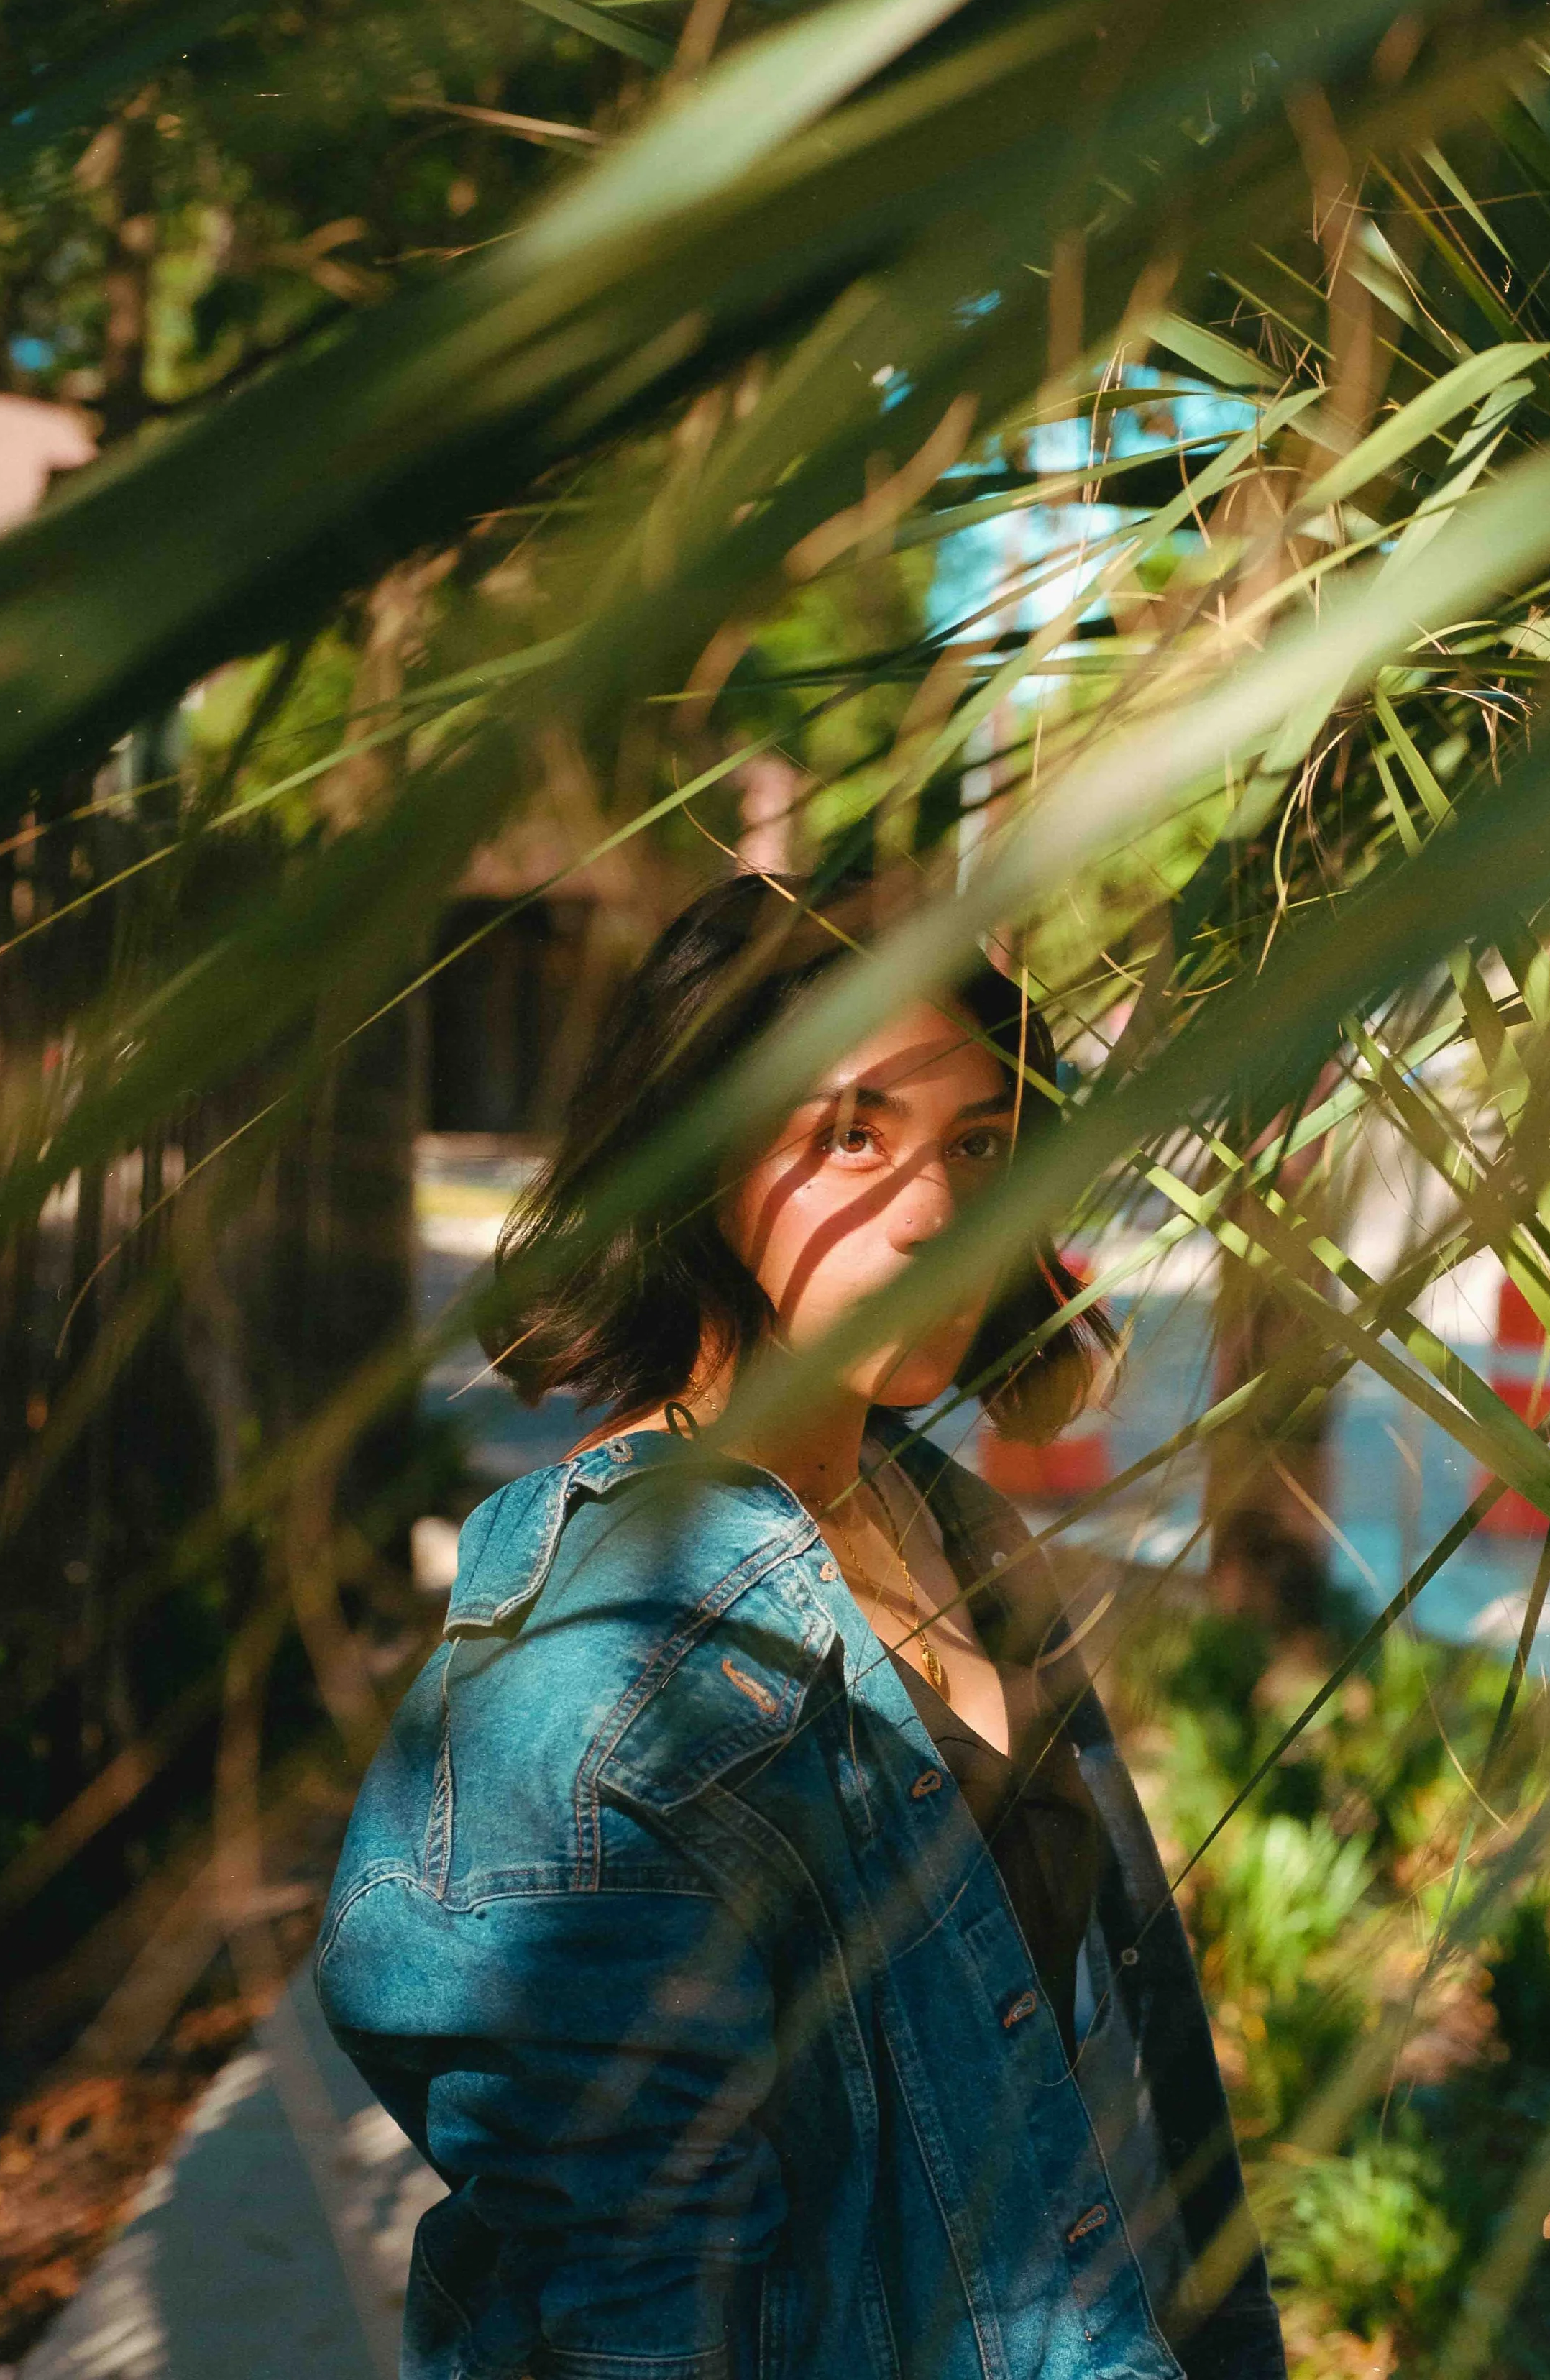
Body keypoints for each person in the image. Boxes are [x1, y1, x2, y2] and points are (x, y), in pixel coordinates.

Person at [316, 873, 1285, 2380]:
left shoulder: (940, 1515)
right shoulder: (595, 1696)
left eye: (977, 1141)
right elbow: (629, 2320)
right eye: (852, 1132)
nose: (940, 1212)